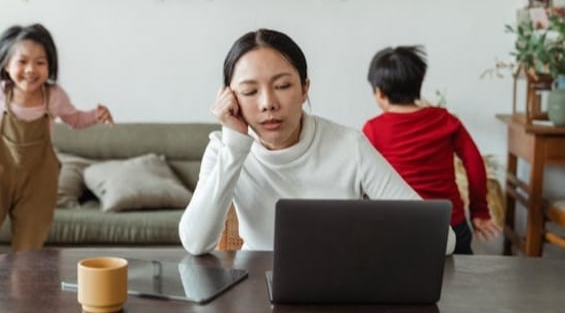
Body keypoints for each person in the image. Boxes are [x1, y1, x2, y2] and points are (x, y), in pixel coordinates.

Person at [178, 29, 455, 256]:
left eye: (283, 86)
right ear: (230, 97)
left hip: (340, 286)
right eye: (250, 91)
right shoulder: (224, 149)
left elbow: (442, 240)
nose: (268, 104)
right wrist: (235, 147)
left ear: (304, 89)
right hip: (257, 288)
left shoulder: (349, 145)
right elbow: (195, 243)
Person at [0, 23, 114, 280]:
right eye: (22, 61)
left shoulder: (54, 96)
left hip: (37, 182)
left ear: (49, 66)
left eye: (40, 62)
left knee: (28, 258)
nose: (30, 70)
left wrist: (96, 115)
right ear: (6, 64)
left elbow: (75, 120)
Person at [362, 45, 502, 255]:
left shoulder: (373, 129)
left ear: (379, 92)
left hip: (399, 228)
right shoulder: (446, 120)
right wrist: (479, 211)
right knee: (460, 283)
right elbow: (474, 163)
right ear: (418, 85)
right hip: (450, 225)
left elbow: (364, 178)